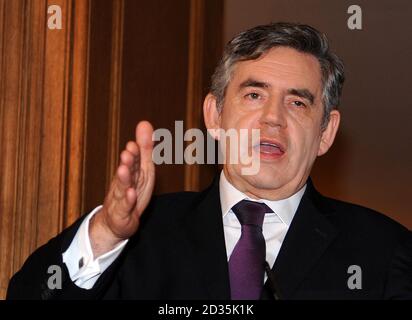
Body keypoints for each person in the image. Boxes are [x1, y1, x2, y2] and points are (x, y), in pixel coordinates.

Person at [7, 22, 412, 300]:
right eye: (254, 95)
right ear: (215, 116)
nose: (273, 117)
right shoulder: (136, 241)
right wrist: (105, 235)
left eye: (297, 102)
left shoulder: (384, 249)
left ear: (325, 132)